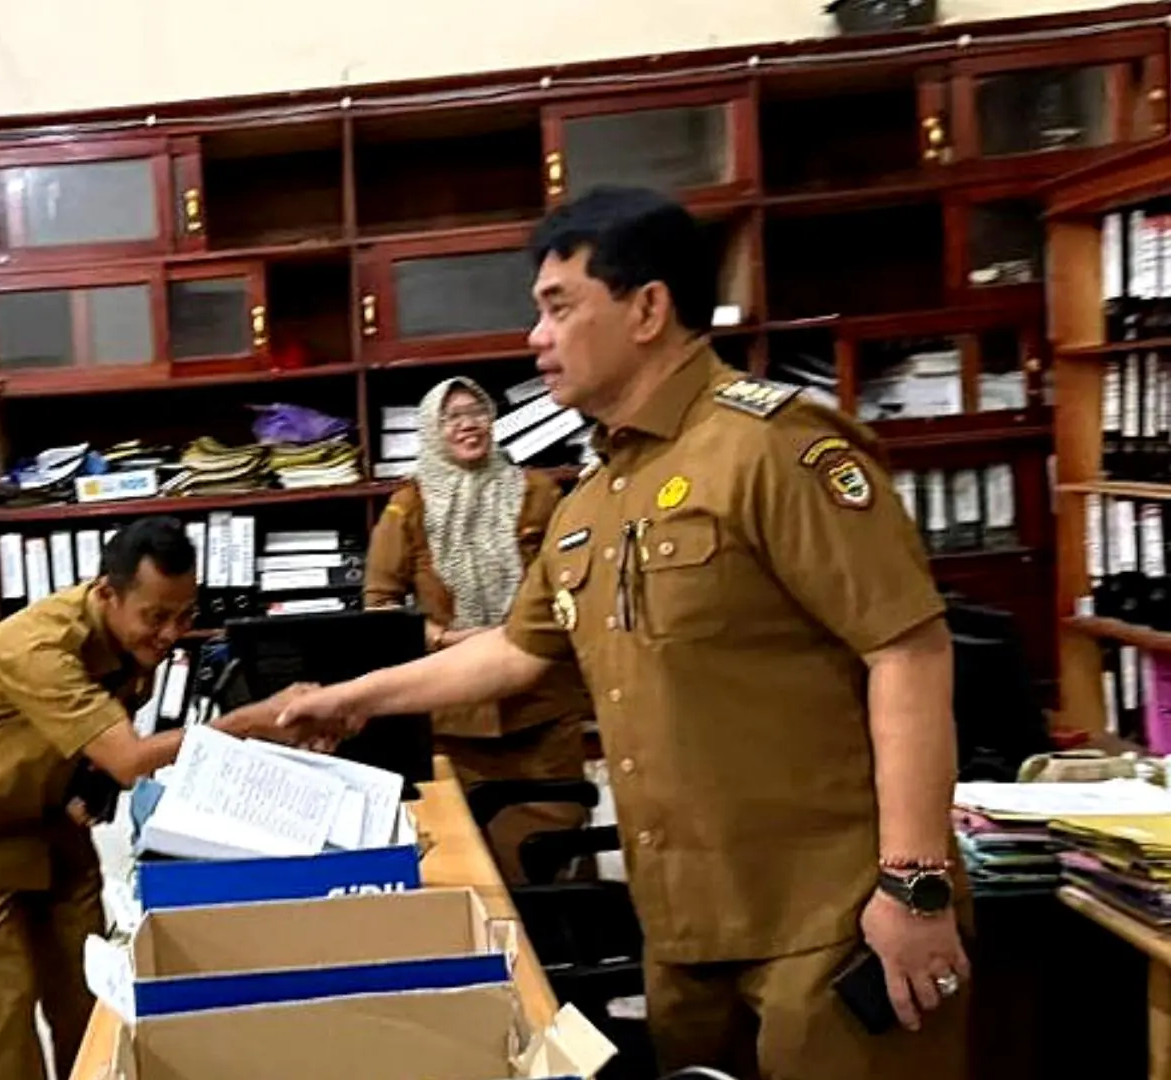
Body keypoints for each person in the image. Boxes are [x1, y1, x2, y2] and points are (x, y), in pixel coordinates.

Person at [279, 187, 968, 1080]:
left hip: (828, 919)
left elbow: (906, 650)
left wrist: (913, 885)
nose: (536, 337)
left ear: (648, 309)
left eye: (559, 307)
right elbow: (516, 651)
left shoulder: (773, 449)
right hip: (683, 931)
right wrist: (351, 699)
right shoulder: (593, 497)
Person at [0, 516, 304, 1080]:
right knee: (9, 1006)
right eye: (156, 617)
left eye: (184, 616)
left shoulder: (132, 644)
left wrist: (88, 792)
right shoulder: (38, 649)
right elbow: (130, 757)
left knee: (88, 985)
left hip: (49, 819)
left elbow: (109, 754)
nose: (170, 634)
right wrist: (248, 722)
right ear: (107, 594)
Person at [365, 376, 595, 883]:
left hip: (540, 710)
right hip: (454, 723)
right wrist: (444, 639)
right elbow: (380, 607)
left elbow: (572, 581)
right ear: (432, 429)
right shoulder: (408, 508)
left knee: (555, 862)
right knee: (470, 869)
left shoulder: (537, 492)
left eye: (477, 412)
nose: (467, 425)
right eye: (452, 417)